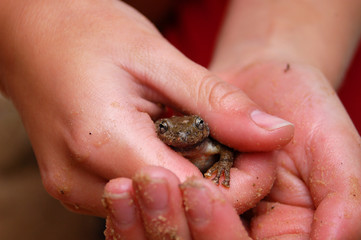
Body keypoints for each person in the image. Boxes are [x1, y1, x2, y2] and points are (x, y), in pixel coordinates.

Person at [0, 0, 360, 239]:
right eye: (168, 131)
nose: (186, 137)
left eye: (197, 128)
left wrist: (274, 52)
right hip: (131, 78)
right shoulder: (159, 139)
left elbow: (224, 152)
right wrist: (29, 24)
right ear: (160, 132)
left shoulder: (210, 142)